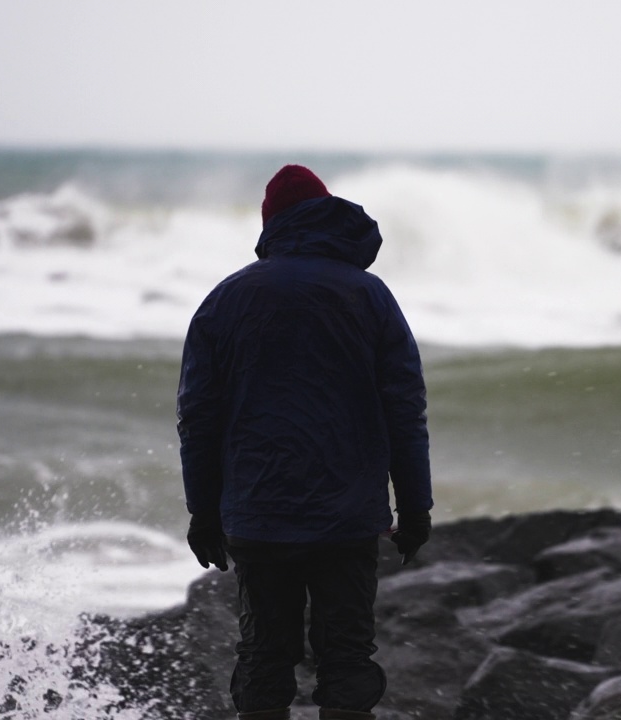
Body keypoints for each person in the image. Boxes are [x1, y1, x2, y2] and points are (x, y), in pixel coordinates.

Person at [177, 164, 433, 720]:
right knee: (347, 660)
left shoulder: (226, 299)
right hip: (348, 519)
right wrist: (415, 507)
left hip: (259, 516)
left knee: (264, 658)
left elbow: (198, 418)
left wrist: (203, 512)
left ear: (272, 223)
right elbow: (404, 412)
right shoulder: (370, 296)